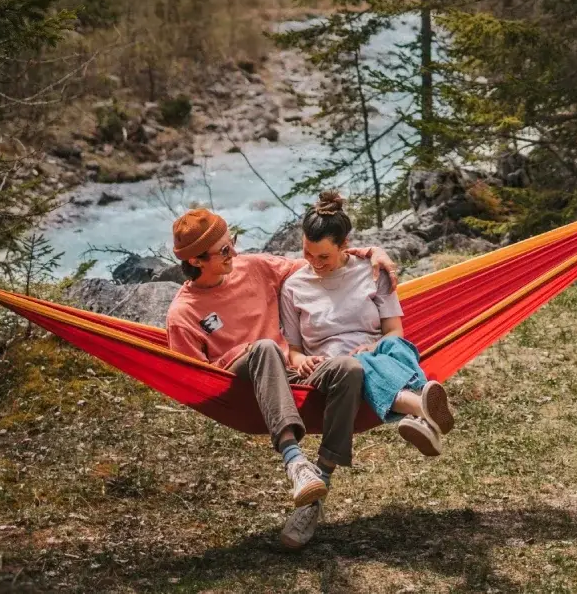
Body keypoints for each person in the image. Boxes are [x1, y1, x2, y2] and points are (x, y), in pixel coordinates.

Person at [163, 207, 399, 543]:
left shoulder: (254, 268)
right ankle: (294, 461)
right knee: (263, 349)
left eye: (233, 242)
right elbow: (190, 381)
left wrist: (370, 252)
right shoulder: (183, 314)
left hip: (289, 375)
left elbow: (321, 261)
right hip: (239, 388)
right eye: (225, 250)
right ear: (197, 261)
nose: (236, 253)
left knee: (349, 369)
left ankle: (316, 489)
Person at [280, 191, 455, 472]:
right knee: (359, 363)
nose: (315, 262)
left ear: (345, 245)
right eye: (307, 253)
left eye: (324, 256)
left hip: (379, 355)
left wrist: (373, 347)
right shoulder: (293, 287)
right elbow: (295, 351)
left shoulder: (372, 273)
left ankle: (425, 417)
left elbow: (394, 330)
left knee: (397, 347)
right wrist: (303, 363)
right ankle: (423, 405)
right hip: (333, 369)